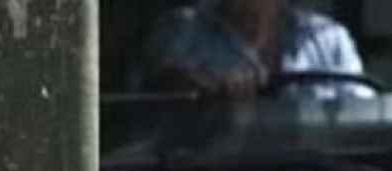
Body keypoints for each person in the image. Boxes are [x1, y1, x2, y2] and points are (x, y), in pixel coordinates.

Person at [142, 0, 373, 99]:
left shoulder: (330, 39)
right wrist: (197, 90)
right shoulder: (180, 31)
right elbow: (151, 109)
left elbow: (362, 128)